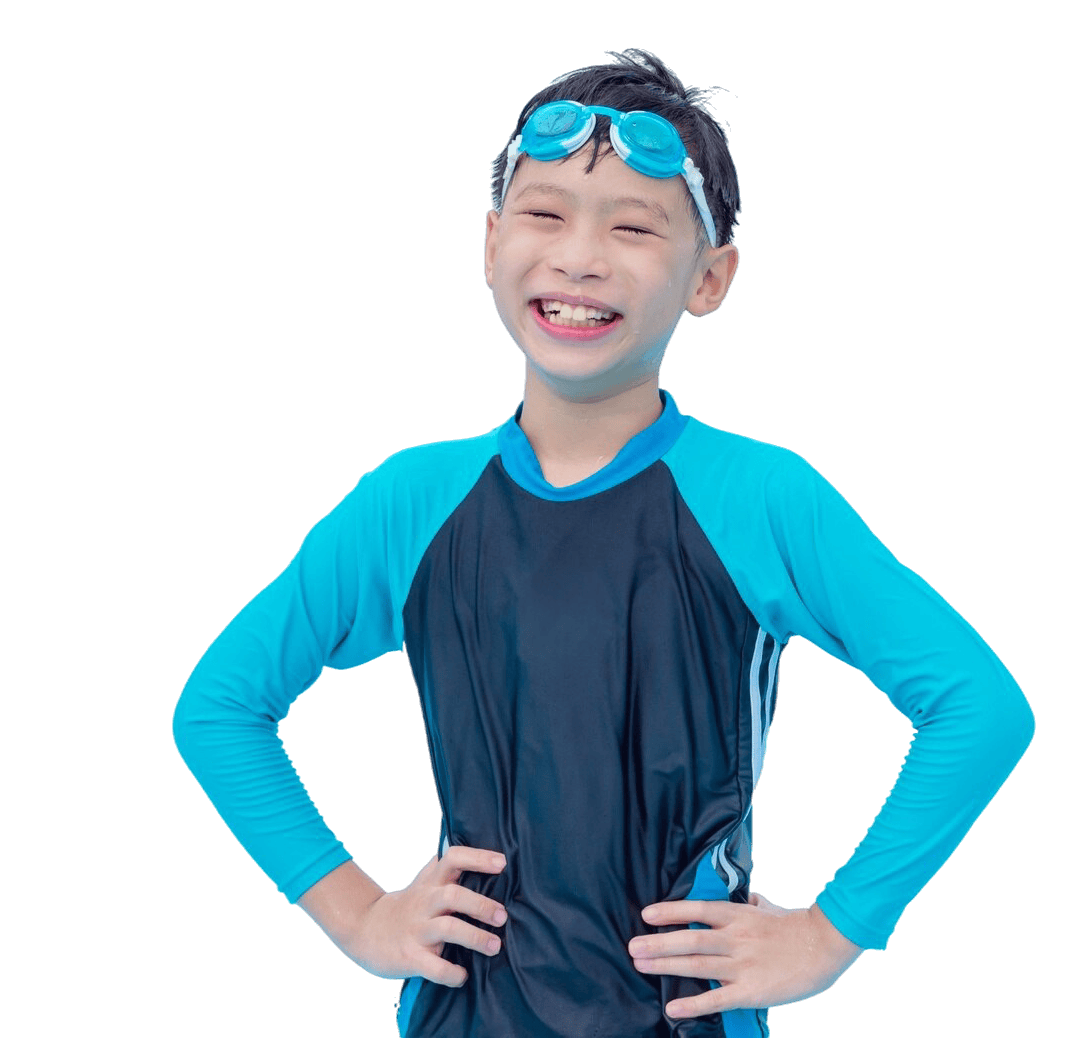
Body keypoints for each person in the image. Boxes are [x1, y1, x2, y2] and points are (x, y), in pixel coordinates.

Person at [172, 48, 1035, 1037]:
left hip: (690, 1018)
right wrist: (359, 911)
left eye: (633, 228)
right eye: (543, 215)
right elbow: (220, 706)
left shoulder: (759, 497)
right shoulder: (410, 500)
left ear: (709, 279)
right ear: (491, 242)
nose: (579, 256)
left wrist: (834, 930)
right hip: (464, 1016)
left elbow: (978, 706)